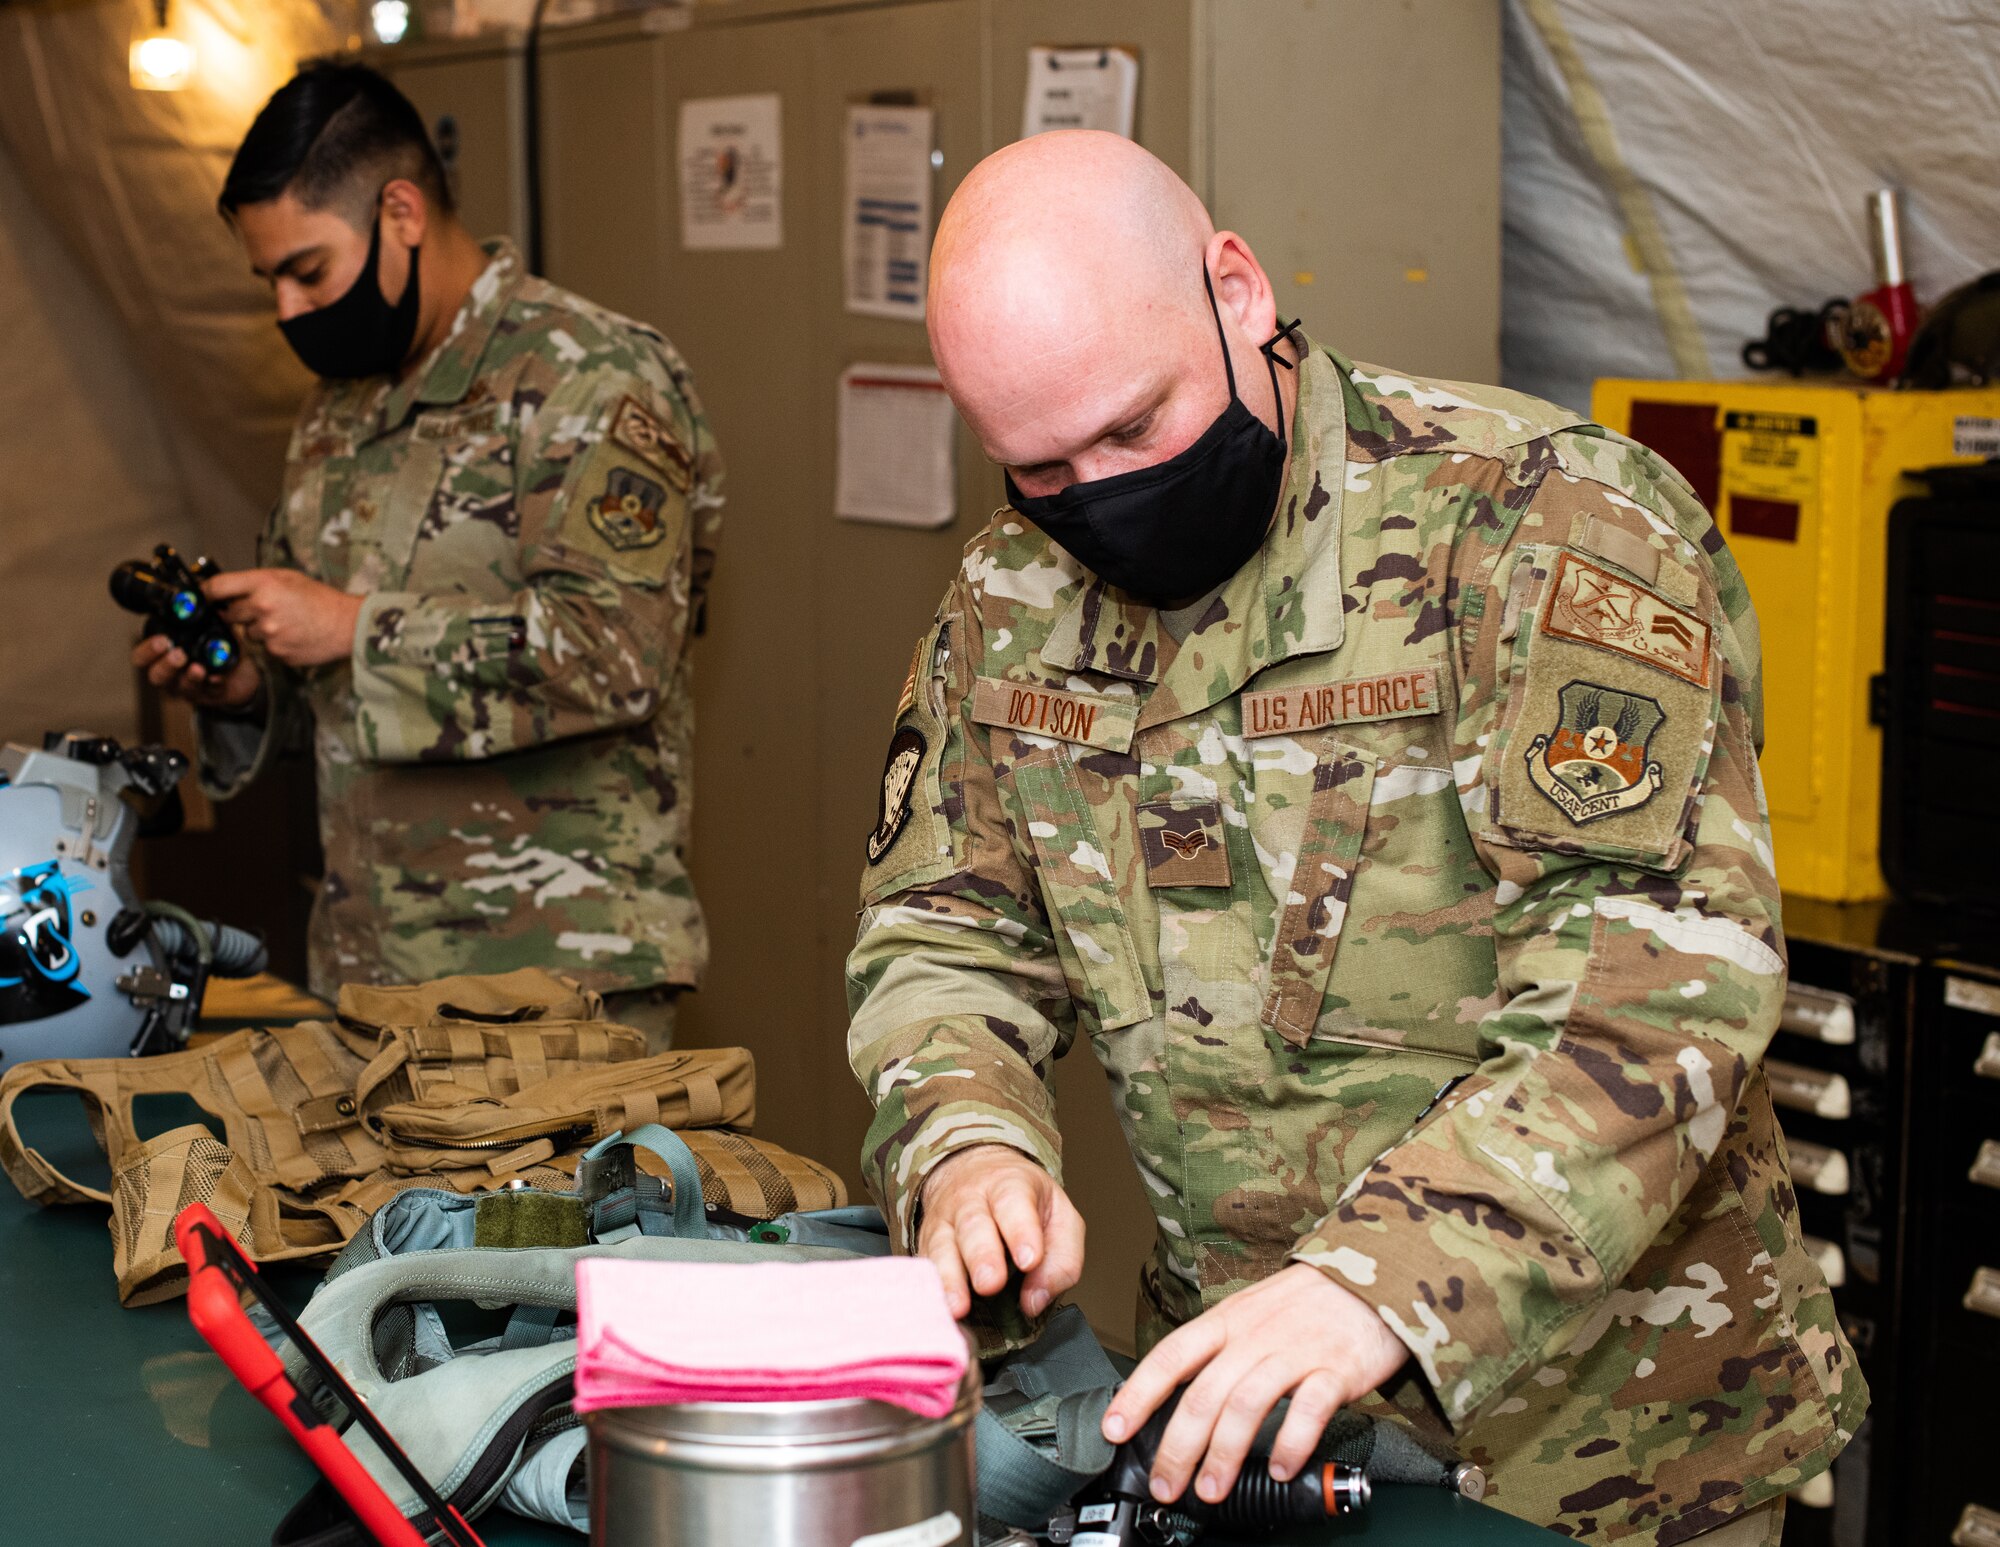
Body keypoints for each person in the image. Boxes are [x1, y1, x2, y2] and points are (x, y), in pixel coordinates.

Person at [846, 131, 1864, 1545]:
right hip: (1248, 1435)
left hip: (1605, 1458)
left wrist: (1382, 1280)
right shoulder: (1011, 597)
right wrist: (965, 1140)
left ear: (1239, 291)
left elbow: (1655, 995)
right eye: (1043, 467)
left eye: (1137, 430)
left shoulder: (1536, 522)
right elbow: (946, 930)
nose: (1100, 494)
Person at [136, 63, 721, 1047]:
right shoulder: (340, 411)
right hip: (369, 982)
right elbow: (336, 698)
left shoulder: (590, 378)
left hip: (557, 992)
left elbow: (617, 658)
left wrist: (353, 626)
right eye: (268, 279)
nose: (286, 308)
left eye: (307, 270)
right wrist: (242, 689)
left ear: (400, 210)